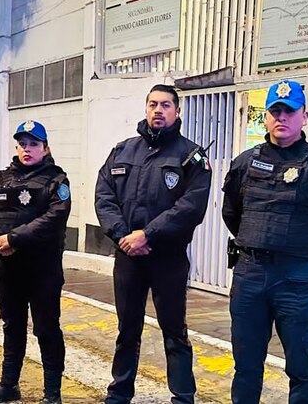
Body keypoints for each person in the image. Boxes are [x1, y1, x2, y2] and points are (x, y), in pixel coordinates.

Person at [222, 80, 308, 403]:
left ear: (304, 116)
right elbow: (231, 214)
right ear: (266, 117)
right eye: (275, 111)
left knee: (302, 369)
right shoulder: (244, 163)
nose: (282, 117)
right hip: (250, 275)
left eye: (290, 111)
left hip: (297, 280)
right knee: (246, 367)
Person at [96, 84, 212, 404]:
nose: (158, 110)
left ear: (177, 111)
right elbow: (104, 197)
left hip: (167, 258)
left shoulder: (191, 156)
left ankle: (183, 396)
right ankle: (119, 394)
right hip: (128, 256)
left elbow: (191, 207)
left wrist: (147, 235)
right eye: (152, 104)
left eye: (165, 105)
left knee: (174, 331)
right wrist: (123, 236)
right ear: (145, 109)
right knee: (127, 329)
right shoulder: (122, 151)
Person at [0, 120, 72, 404]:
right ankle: (9, 386)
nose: (27, 149)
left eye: (34, 144)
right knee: (12, 326)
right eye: (23, 144)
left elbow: (54, 218)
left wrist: (13, 240)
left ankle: (52, 394)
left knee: (46, 329)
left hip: (42, 270)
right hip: (8, 268)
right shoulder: (1, 179)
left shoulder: (57, 181)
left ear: (45, 148)